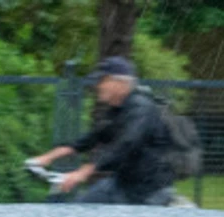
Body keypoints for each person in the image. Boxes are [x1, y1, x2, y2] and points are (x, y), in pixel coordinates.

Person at [29, 57, 178, 207]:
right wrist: (47, 157)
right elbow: (91, 138)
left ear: (119, 83)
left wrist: (83, 172)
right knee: (77, 210)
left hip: (150, 192)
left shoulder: (142, 109)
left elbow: (126, 145)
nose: (97, 86)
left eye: (102, 81)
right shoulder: (117, 111)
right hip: (122, 185)